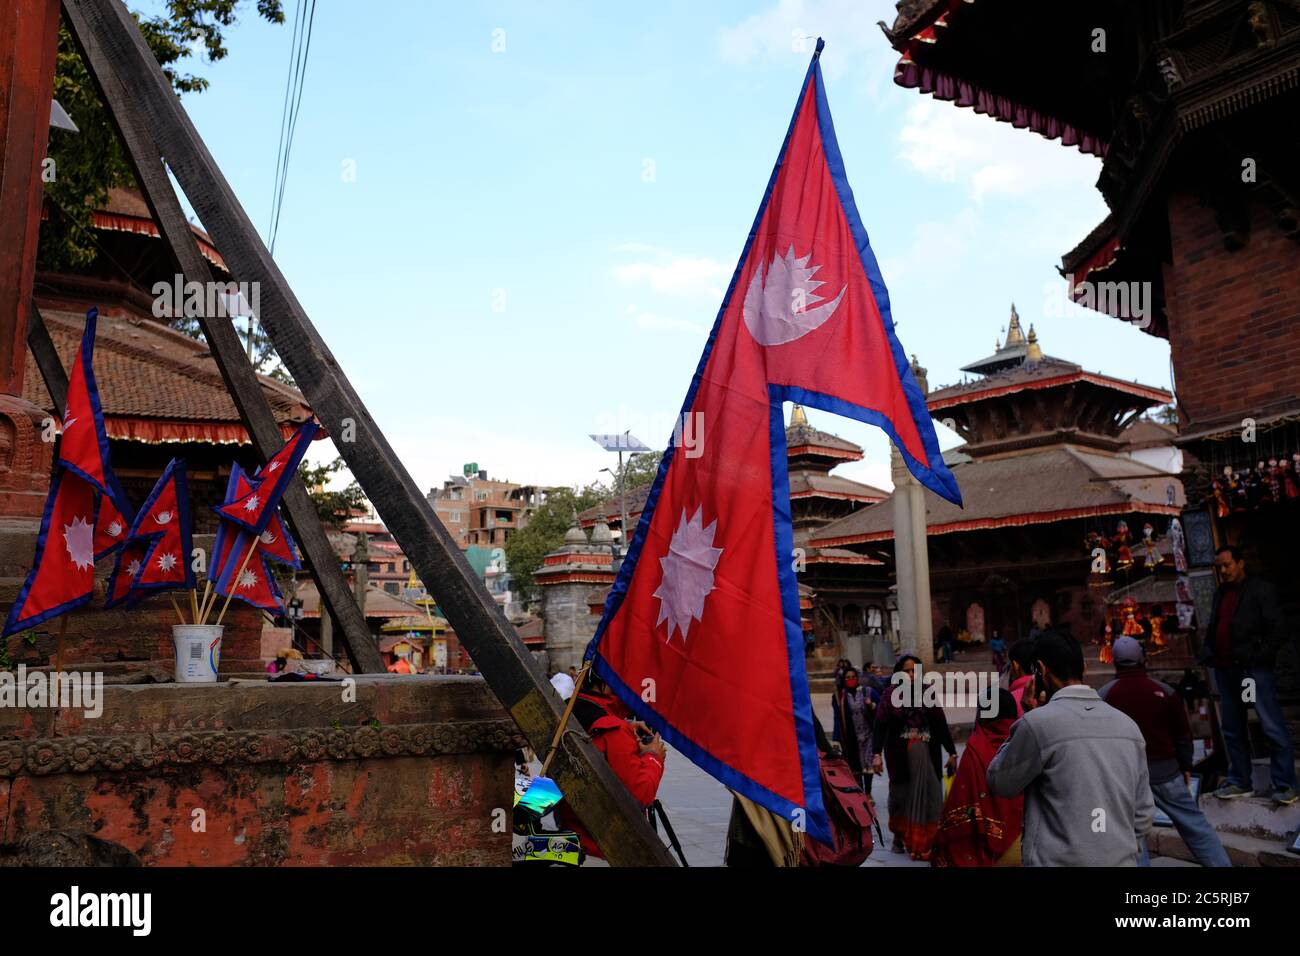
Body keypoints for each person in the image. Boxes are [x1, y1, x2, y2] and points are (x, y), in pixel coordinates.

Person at [987, 631, 1154, 866]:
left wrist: (1026, 716)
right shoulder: (1128, 726)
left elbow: (999, 781)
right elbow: (1144, 813)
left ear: (1040, 670)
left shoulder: (1037, 724)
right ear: (1084, 668)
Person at [1100, 636, 1231, 867]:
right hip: (1166, 772)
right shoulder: (1164, 691)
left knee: (1133, 834)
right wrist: (1186, 765)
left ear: (1115, 663)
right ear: (1143, 659)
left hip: (1125, 777)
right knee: (1194, 825)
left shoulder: (1105, 695)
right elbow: (1182, 734)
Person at [1202, 546, 1297, 805]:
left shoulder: (1260, 591)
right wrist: (1209, 651)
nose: (1223, 571)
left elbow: (1277, 629)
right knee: (1232, 728)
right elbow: (1215, 625)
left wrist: (1257, 656)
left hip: (1250, 671)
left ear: (1241, 563)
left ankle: (1286, 784)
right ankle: (1240, 781)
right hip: (1226, 669)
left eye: (1227, 565)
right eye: (1219, 567)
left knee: (1270, 724)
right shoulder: (1221, 593)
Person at [554, 672, 666, 860]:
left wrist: (625, 725)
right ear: (605, 685)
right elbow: (640, 795)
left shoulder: (567, 709)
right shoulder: (612, 729)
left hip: (572, 833)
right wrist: (653, 757)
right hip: (605, 847)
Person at [871, 654, 957, 860]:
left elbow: (940, 724)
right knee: (900, 798)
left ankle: (926, 843)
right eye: (907, 671)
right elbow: (880, 727)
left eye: (914, 671)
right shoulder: (889, 695)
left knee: (932, 796)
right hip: (899, 756)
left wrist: (952, 752)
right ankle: (900, 838)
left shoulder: (927, 692)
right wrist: (876, 754)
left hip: (927, 753)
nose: (911, 675)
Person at [934, 689, 1024, 867]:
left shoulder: (975, 749)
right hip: (1021, 845)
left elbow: (959, 804)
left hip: (983, 851)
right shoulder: (1023, 744)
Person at [831, 666, 880, 792]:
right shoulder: (839, 697)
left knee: (867, 763)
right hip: (851, 737)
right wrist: (836, 739)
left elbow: (882, 707)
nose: (851, 679)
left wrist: (872, 705)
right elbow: (837, 718)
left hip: (868, 734)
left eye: (853, 677)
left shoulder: (867, 691)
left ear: (857, 678)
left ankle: (868, 793)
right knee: (855, 765)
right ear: (844, 680)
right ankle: (860, 792)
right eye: (848, 678)